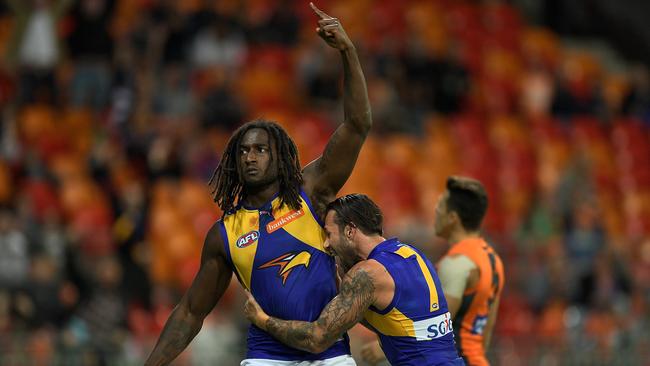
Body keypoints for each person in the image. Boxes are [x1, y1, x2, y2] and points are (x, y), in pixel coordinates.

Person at [145, 3, 372, 366]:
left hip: (330, 355)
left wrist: (348, 52)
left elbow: (357, 125)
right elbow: (190, 312)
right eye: (244, 151)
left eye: (261, 149)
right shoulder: (225, 234)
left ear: (278, 156)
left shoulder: (310, 191)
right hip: (267, 358)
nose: (250, 157)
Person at [244, 194, 465, 366]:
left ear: (350, 231)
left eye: (329, 234)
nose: (327, 245)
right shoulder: (411, 254)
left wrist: (262, 319)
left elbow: (317, 338)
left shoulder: (367, 274)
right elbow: (399, 322)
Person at [361, 177, 504, 366]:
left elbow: (437, 322)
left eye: (440, 206)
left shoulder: (456, 263)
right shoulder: (491, 259)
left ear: (453, 218)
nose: (435, 212)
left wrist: (380, 349)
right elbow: (486, 329)